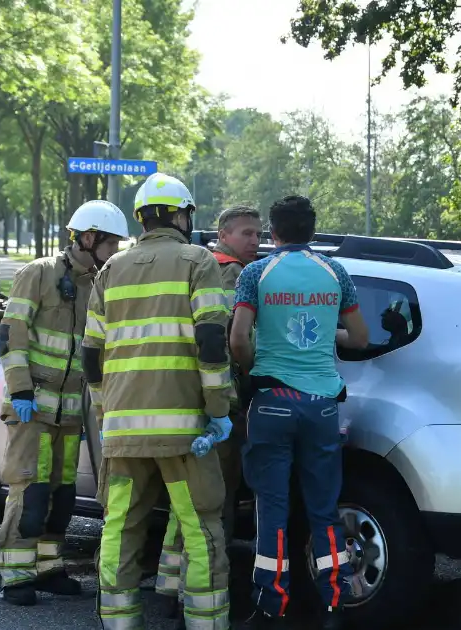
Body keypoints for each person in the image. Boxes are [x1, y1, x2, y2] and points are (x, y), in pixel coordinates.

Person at [83, 172, 233, 630]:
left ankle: (118, 621)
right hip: (184, 431)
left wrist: (105, 410)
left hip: (124, 432)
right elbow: (211, 340)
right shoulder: (197, 260)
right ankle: (205, 622)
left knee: (120, 527)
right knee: (200, 525)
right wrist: (219, 411)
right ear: (179, 215)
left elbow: (92, 353)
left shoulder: (111, 269)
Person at [229, 195, 370, 630]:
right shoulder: (335, 272)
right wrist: (329, 333)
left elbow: (237, 339)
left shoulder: (256, 272)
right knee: (323, 508)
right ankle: (334, 604)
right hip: (321, 406)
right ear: (312, 230)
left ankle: (273, 606)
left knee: (271, 507)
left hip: (273, 402)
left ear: (273, 232)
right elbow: (361, 339)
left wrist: (253, 372)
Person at [0, 199, 128, 606]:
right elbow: (11, 332)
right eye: (112, 242)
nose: (116, 250)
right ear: (89, 237)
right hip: (32, 406)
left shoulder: (98, 283)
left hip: (70, 412)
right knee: (29, 491)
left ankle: (49, 568)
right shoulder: (38, 273)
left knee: (61, 493)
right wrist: (19, 390)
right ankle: (15, 575)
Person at [155, 205, 263, 615]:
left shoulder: (189, 265)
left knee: (185, 499)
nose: (255, 241)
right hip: (220, 401)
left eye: (259, 233)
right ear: (223, 233)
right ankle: (204, 590)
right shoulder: (233, 272)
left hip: (183, 398)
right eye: (247, 233)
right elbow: (237, 339)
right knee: (216, 502)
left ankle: (169, 584)